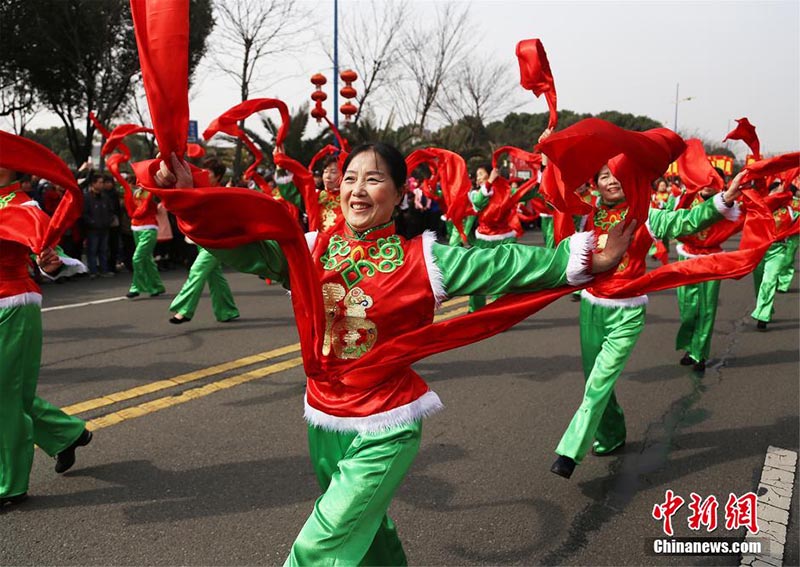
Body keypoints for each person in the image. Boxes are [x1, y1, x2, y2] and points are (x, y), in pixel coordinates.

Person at [153, 142, 631, 564]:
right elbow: (243, 247)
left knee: (321, 545)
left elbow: (500, 262)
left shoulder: (421, 259)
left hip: (386, 423)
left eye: (374, 179)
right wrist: (191, 199)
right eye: (351, 179)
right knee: (365, 532)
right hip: (324, 419)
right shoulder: (312, 250)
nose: (357, 189)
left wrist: (587, 258)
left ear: (400, 194)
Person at [550, 164, 744, 479]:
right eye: (603, 175)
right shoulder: (585, 216)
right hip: (591, 307)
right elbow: (555, 198)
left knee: (600, 379)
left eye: (618, 174)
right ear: (595, 184)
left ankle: (570, 451)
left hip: (627, 311)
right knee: (595, 380)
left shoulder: (647, 215)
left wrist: (723, 200)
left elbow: (686, 220)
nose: (611, 180)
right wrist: (553, 159)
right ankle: (611, 435)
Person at [0, 166, 92, 507]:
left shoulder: (24, 206)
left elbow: (44, 253)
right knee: (11, 394)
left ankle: (9, 484)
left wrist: (49, 264)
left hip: (10, 303)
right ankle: (66, 433)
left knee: (3, 396)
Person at [168, 158, 239, 324]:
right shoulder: (200, 189)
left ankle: (184, 310)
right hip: (202, 239)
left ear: (219, 176)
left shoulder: (224, 193)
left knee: (197, 270)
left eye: (209, 173)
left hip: (217, 241)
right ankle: (227, 311)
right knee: (215, 276)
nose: (205, 175)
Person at [751, 182, 798, 330]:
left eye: (781, 192)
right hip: (759, 249)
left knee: (769, 281)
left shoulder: (790, 210)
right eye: (776, 192)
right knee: (759, 283)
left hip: (778, 251)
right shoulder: (760, 208)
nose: (778, 195)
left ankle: (762, 315)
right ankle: (766, 307)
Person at [125, 182, 166, 298]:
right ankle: (156, 286)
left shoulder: (152, 191)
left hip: (149, 229)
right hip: (136, 229)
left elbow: (154, 205)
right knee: (147, 259)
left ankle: (136, 287)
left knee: (137, 258)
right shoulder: (136, 192)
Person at [82, 172, 116, 278]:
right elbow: (84, 213)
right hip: (92, 229)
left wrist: (108, 221)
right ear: (93, 184)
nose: (102, 184)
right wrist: (92, 222)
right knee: (92, 250)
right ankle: (93, 270)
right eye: (100, 182)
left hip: (105, 228)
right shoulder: (87, 197)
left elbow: (111, 211)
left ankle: (104, 270)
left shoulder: (105, 197)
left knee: (104, 250)